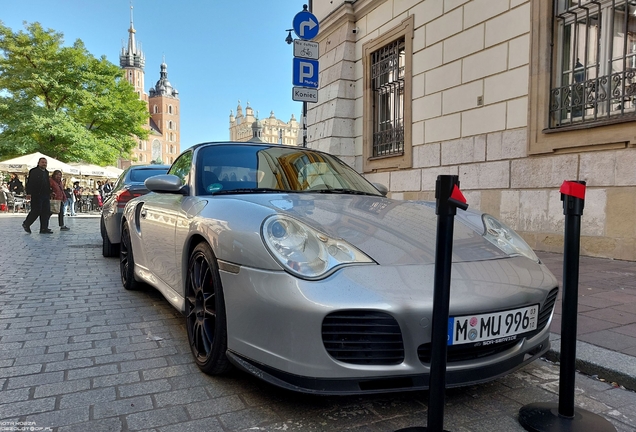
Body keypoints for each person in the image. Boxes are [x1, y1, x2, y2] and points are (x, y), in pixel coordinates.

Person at [22, 157, 52, 234]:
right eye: (43, 162)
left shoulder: (46, 172)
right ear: (39, 163)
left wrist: (50, 192)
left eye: (45, 163)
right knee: (36, 210)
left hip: (45, 194)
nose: (44, 164)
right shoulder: (34, 171)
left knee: (46, 212)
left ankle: (44, 228)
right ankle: (26, 223)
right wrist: (28, 193)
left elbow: (47, 184)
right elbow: (30, 183)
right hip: (36, 194)